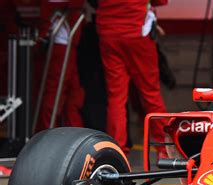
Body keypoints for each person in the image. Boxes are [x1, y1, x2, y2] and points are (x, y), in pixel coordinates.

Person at [93, 0, 168, 157]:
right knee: (150, 92)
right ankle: (164, 149)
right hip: (137, 31)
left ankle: (118, 152)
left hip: (109, 32)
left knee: (116, 98)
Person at [36, 0, 85, 132]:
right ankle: (46, 133)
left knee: (73, 95)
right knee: (54, 93)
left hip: (67, 42)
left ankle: (76, 133)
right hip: (61, 42)